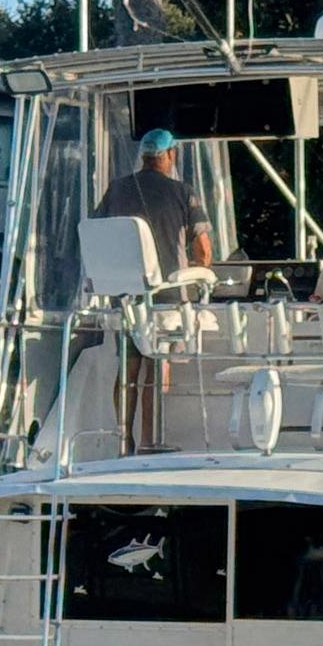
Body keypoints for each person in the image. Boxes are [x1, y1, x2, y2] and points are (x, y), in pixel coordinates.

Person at [96, 128, 214, 453]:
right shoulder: (183, 192)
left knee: (128, 370)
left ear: (144, 157)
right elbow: (203, 252)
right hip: (168, 299)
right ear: (170, 155)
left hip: (126, 298)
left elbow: (95, 233)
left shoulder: (116, 190)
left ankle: (124, 440)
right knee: (156, 364)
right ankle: (150, 440)